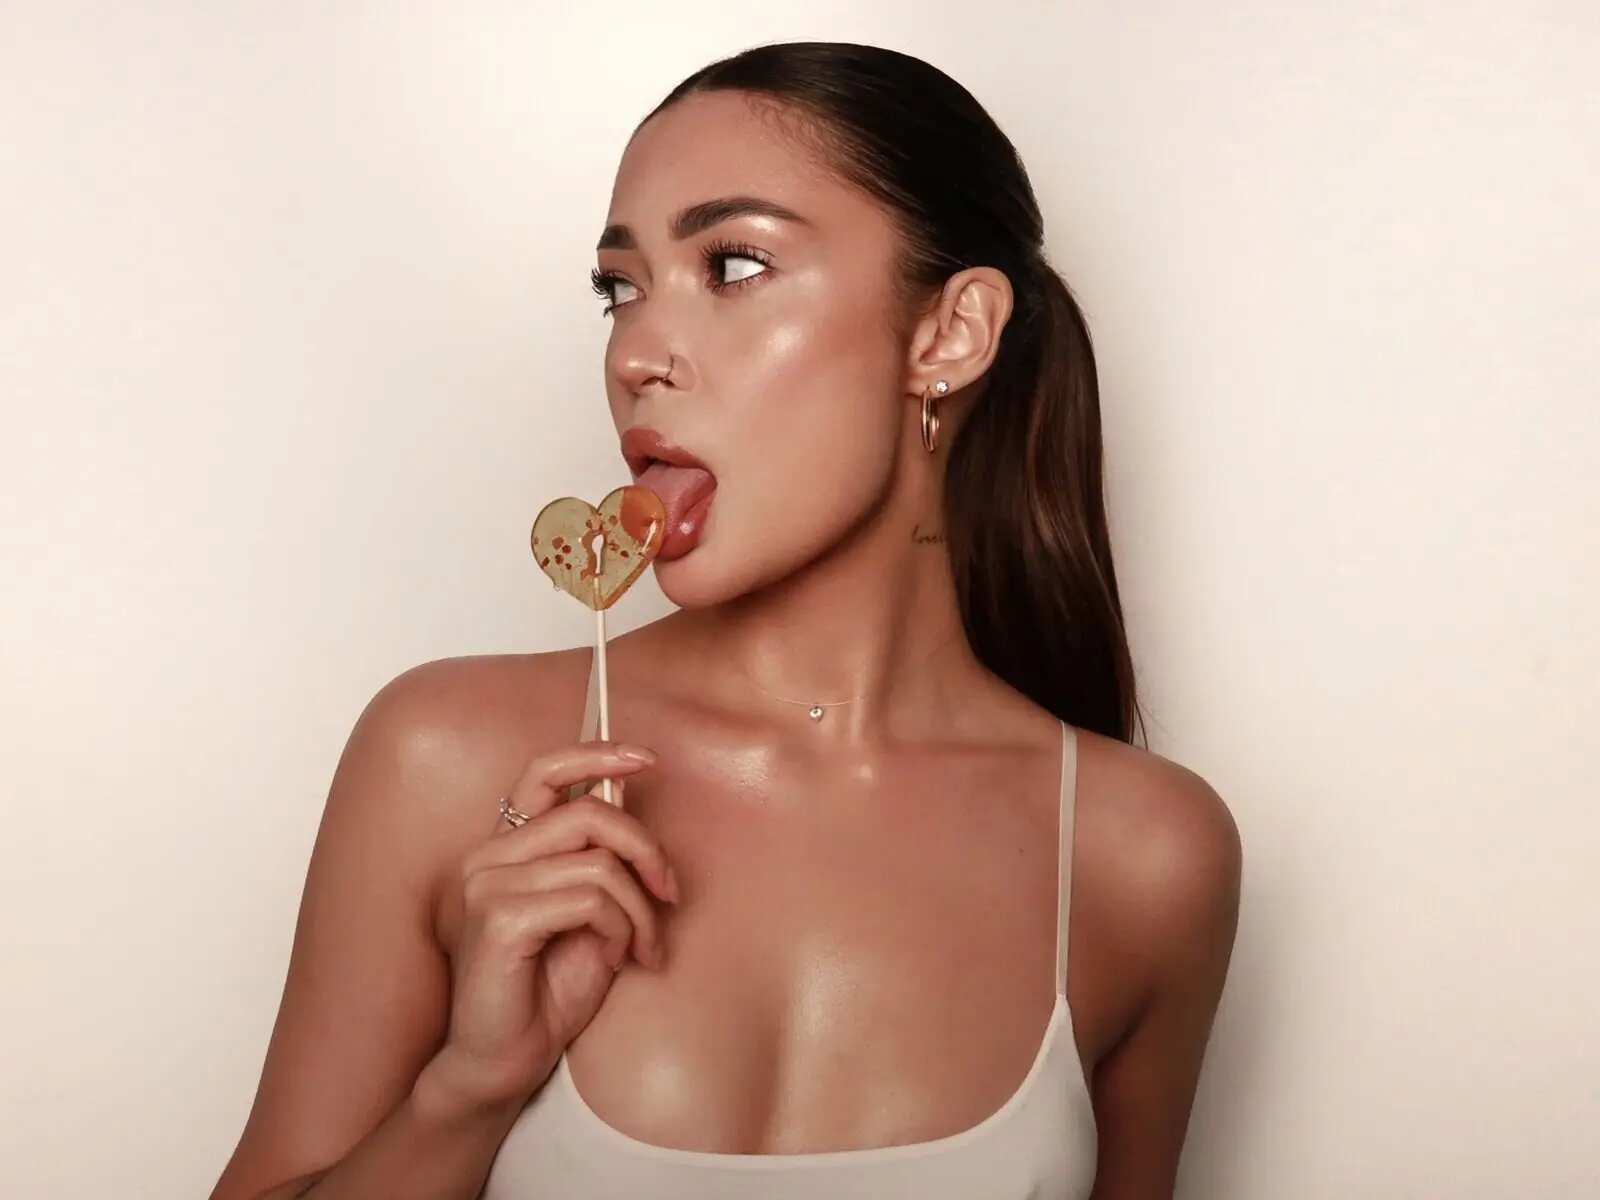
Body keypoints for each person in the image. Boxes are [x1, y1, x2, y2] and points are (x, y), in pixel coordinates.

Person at [211, 40, 1241, 1200]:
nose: (635, 355)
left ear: (948, 335)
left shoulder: (1145, 857)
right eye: (619, 288)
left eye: (734, 265)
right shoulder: (447, 758)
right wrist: (471, 1090)